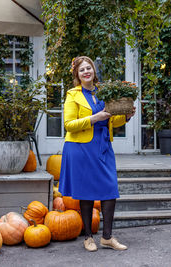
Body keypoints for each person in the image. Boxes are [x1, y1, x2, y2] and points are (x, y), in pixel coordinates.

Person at [58, 56, 135, 252]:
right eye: (82, 69)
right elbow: (69, 125)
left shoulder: (104, 93)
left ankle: (107, 237)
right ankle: (88, 237)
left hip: (103, 145)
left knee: (110, 189)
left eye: (89, 68)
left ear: (93, 70)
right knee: (86, 191)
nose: (86, 72)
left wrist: (125, 117)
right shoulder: (72, 95)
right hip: (80, 147)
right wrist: (94, 118)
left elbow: (110, 120)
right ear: (77, 74)